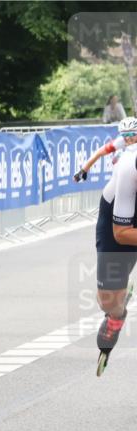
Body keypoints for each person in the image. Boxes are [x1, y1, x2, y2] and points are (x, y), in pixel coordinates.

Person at [93, 150, 137, 373]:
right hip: (118, 225)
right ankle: (116, 313)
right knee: (108, 302)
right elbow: (122, 233)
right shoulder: (130, 166)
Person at [74, 117, 137, 182]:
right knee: (117, 157)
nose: (128, 137)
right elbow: (98, 153)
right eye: (124, 134)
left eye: (131, 134)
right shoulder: (120, 141)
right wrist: (83, 170)